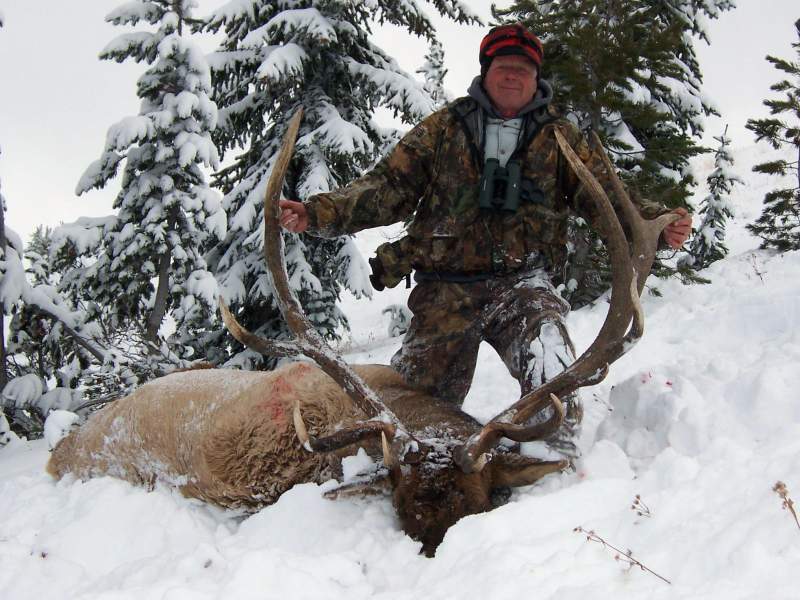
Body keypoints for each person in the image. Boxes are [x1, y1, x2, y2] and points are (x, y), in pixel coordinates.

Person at [278, 23, 692, 459]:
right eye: (504, 68)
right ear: (486, 72)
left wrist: (656, 223)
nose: (513, 76)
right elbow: (387, 188)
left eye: (523, 70)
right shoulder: (444, 129)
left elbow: (606, 197)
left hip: (523, 284)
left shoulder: (560, 139)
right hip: (447, 288)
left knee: (553, 377)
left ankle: (551, 472)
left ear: (537, 79)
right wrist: (318, 212)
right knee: (408, 409)